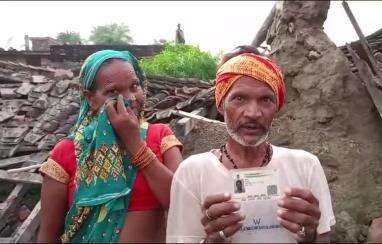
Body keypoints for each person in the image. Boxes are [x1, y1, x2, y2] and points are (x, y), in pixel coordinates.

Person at [166, 46, 335, 243]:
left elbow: (323, 238)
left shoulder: (306, 166)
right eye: (239, 98)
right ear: (221, 104)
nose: (253, 113)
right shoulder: (193, 172)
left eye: (266, 99)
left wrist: (311, 236)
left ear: (277, 107)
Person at [37, 50, 183, 243]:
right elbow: (48, 236)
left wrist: (134, 142)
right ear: (91, 98)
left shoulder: (161, 135)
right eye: (113, 92)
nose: (129, 98)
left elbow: (181, 203)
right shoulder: (67, 151)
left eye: (134, 86)